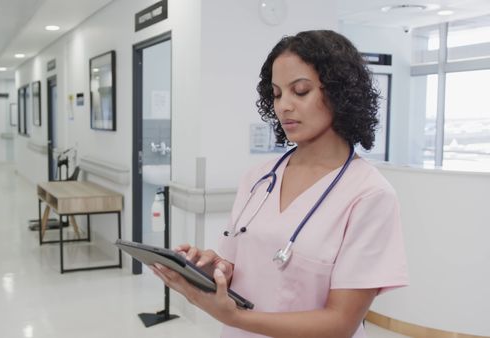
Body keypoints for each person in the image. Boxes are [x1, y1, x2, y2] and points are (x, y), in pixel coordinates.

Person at [150, 30, 409, 338]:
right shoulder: (258, 178)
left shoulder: (369, 194)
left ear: (341, 93)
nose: (283, 105)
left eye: (300, 91)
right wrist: (209, 272)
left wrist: (235, 318)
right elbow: (237, 267)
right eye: (276, 93)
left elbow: (340, 323)